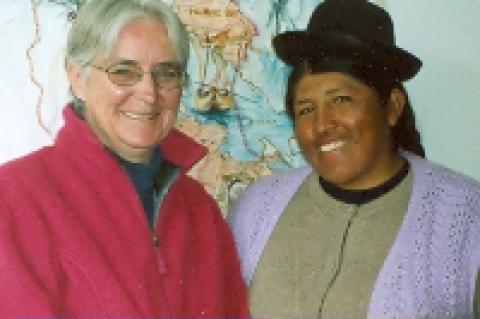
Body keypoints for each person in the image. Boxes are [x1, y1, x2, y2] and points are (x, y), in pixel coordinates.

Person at [228, 0, 480, 318]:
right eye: (306, 109)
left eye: (341, 100)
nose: (322, 125)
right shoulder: (255, 209)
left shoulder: (468, 219)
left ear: (392, 107)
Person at [0, 0, 248, 317]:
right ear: (78, 79)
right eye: (123, 72)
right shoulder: (15, 197)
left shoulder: (201, 211)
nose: (149, 92)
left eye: (166, 73)